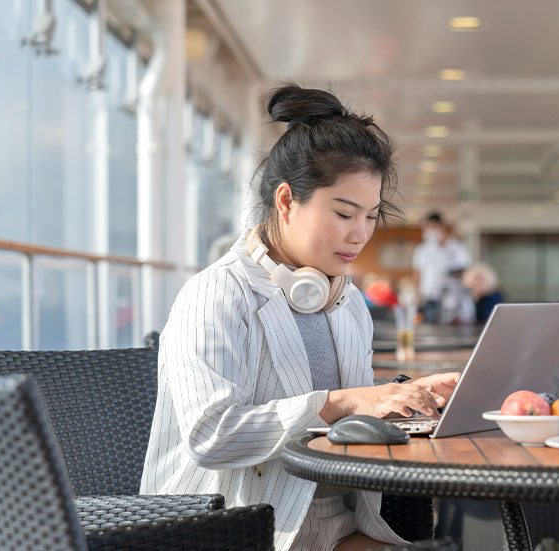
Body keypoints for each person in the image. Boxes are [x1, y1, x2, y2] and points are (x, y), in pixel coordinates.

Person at [140, 84, 460, 551]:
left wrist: (406, 404)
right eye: (344, 213)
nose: (360, 234)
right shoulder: (217, 292)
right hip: (231, 528)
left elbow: (350, 418)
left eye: (371, 216)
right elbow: (211, 436)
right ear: (286, 201)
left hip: (334, 524)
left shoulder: (345, 301)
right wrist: (343, 402)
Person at [411, 213, 470, 323]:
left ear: (441, 227)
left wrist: (449, 271)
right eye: (426, 228)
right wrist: (417, 294)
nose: (429, 231)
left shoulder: (457, 247)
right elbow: (417, 273)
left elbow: (464, 270)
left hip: (452, 297)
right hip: (430, 297)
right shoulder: (422, 250)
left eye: (432, 227)